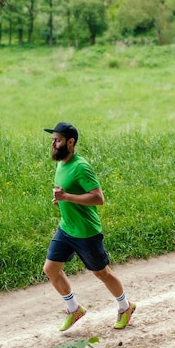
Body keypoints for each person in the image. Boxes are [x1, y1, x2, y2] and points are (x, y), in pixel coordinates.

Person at [43, 122, 136, 331]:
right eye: (52, 141)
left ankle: (125, 307)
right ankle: (74, 309)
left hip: (86, 233)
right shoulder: (61, 164)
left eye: (57, 140)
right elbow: (69, 192)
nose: (53, 144)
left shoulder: (81, 167)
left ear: (70, 141)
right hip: (66, 228)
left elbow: (98, 198)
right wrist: (62, 200)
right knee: (50, 269)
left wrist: (67, 196)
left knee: (102, 273)